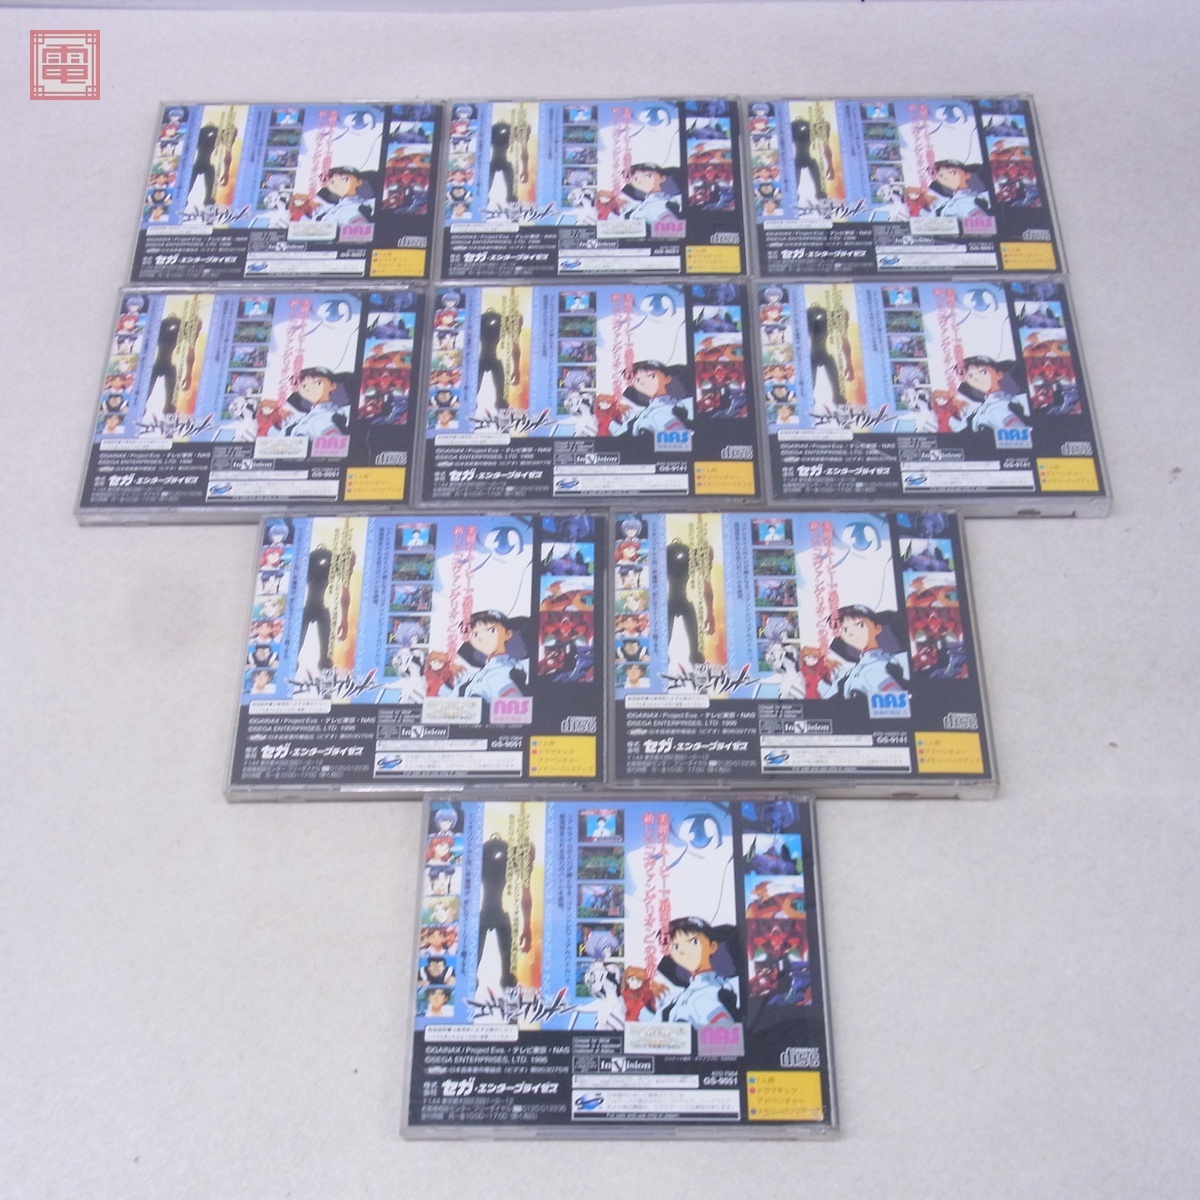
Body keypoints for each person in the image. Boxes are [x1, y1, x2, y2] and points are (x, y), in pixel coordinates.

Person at [657, 917, 740, 1026]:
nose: (683, 951)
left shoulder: (708, 995)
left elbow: (728, 1034)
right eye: (675, 946)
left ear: (712, 946)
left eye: (694, 942)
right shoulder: (675, 999)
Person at [819, 605, 909, 700]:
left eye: (860, 625)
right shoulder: (850, 671)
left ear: (877, 629)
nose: (851, 633)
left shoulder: (879, 667)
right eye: (844, 629)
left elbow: (897, 701)